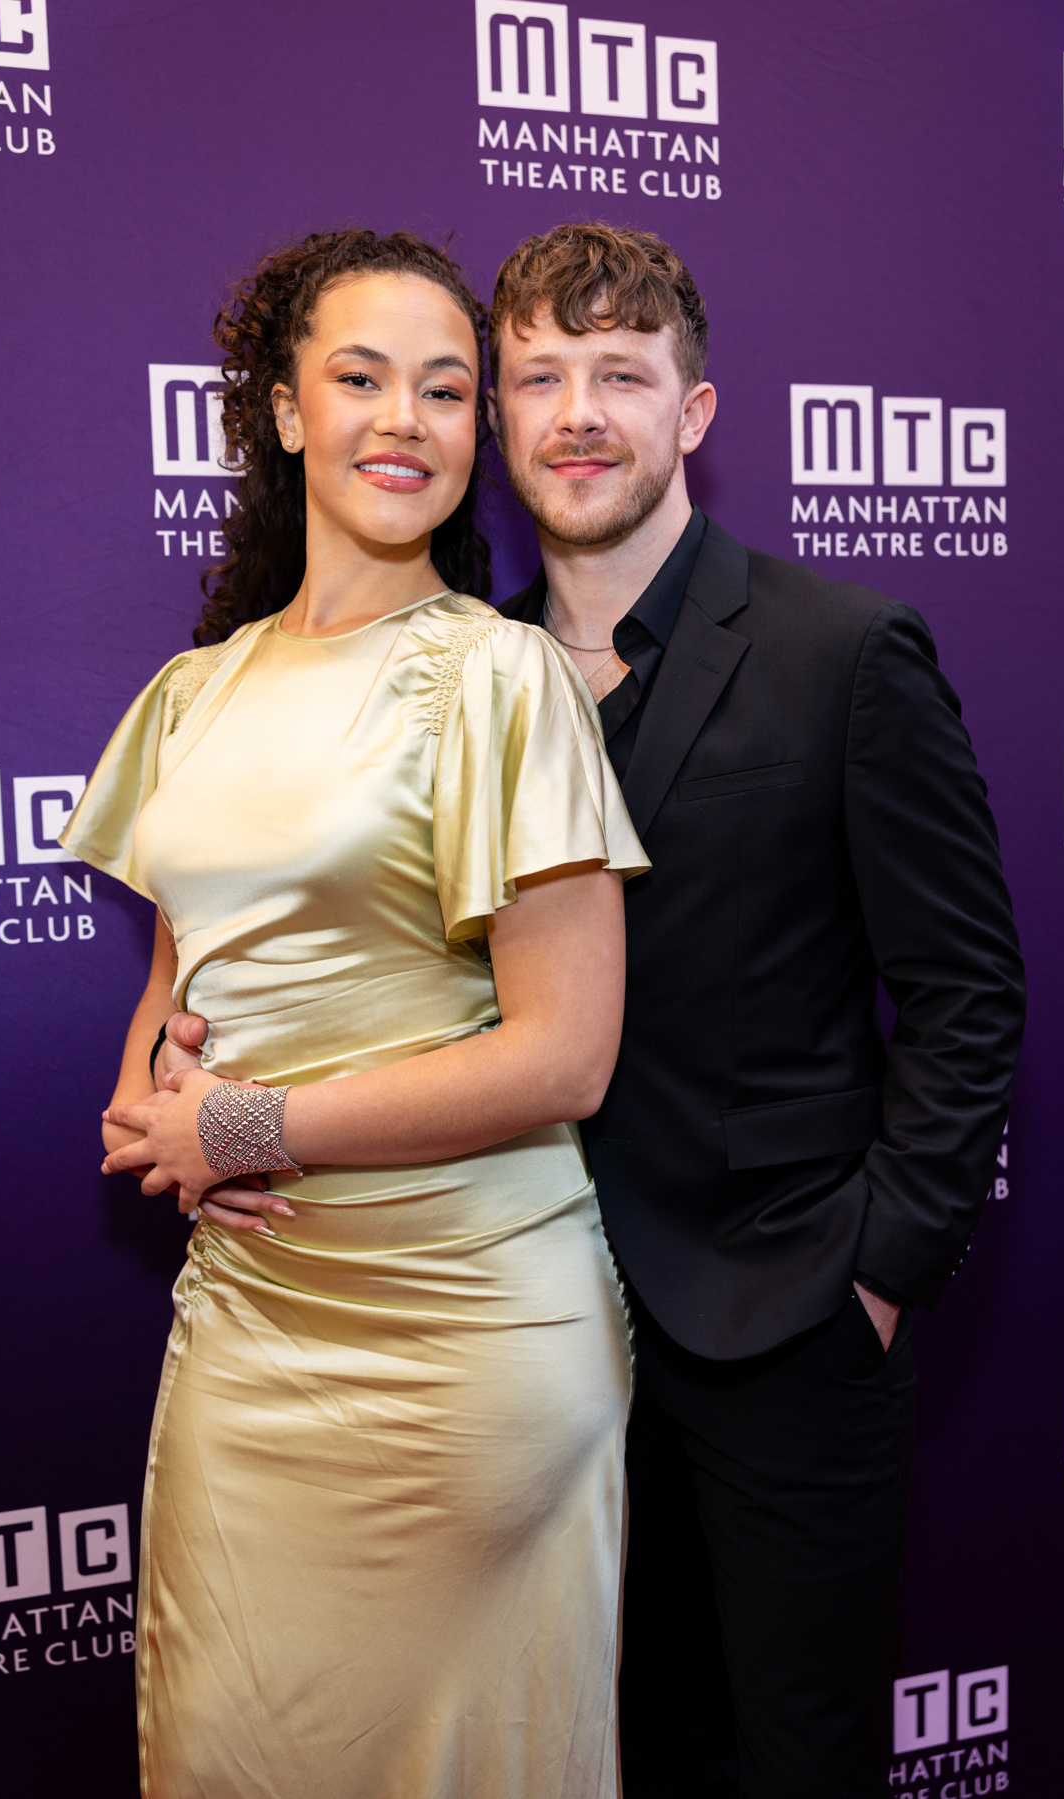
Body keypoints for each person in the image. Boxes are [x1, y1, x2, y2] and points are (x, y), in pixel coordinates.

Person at [153, 222, 1027, 1796]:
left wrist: (880, 1274)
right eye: (537, 378)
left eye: (620, 376)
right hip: (519, 1333)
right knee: (607, 1758)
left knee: (799, 1762)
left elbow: (968, 991)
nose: (577, 416)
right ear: (496, 416)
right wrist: (210, 1090)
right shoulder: (459, 672)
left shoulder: (840, 653)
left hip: (778, 1327)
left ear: (694, 410)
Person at [62, 228, 648, 1799]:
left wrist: (245, 1125)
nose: (406, 420)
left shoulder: (503, 678)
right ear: (286, 412)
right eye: (363, 379)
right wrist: (155, 1109)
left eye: (447, 391)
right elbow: (182, 981)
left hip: (465, 1342)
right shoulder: (195, 693)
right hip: (251, 1329)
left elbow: (566, 1056)